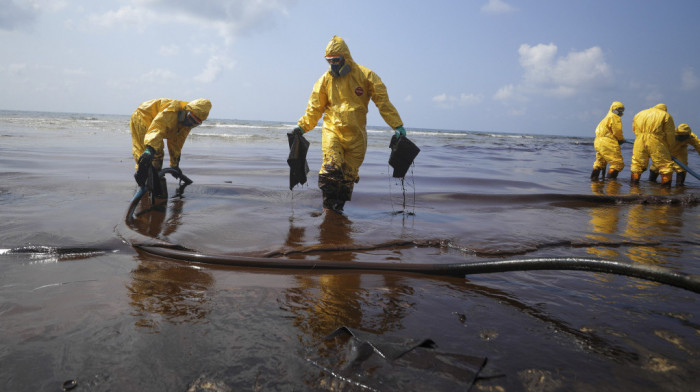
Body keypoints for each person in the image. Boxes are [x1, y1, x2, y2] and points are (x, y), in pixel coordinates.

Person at [292, 36, 406, 212]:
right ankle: (327, 208)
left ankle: (337, 212)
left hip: (357, 136)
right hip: (333, 130)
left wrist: (397, 125)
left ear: (345, 57)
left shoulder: (366, 76)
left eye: (336, 60)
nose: (333, 65)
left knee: (348, 177)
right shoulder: (325, 80)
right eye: (329, 61)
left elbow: (382, 102)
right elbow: (315, 108)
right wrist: (302, 126)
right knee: (331, 168)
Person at [131, 98, 212, 190]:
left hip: (154, 125)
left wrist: (174, 164)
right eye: (191, 119)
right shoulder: (172, 110)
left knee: (157, 156)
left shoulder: (186, 125)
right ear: (186, 110)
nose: (190, 123)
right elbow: (157, 128)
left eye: (195, 123)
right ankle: (143, 179)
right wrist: (150, 149)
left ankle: (154, 179)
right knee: (149, 153)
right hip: (143, 117)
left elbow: (176, 143)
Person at [630, 103, 675, 186]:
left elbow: (634, 129)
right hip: (656, 141)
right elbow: (670, 134)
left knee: (637, 165)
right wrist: (669, 146)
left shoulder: (639, 114)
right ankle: (665, 192)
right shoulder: (666, 115)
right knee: (665, 166)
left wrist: (641, 137)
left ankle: (633, 188)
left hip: (639, 140)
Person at [591, 101, 625, 180]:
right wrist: (621, 139)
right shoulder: (615, 117)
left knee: (600, 162)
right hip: (607, 142)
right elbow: (617, 131)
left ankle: (594, 181)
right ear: (613, 108)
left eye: (621, 110)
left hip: (598, 142)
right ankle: (610, 185)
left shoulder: (606, 118)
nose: (620, 111)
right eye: (618, 109)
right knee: (617, 163)